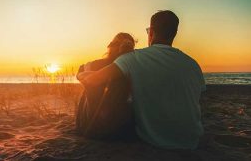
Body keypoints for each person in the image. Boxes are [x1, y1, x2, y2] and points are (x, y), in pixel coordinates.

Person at [78, 10, 206, 149]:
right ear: (174, 34)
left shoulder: (133, 58)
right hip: (192, 140)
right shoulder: (193, 64)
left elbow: (92, 81)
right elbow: (197, 99)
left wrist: (80, 75)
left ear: (151, 32)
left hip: (154, 141)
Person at [76, 33, 136, 139]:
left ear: (111, 46)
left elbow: (80, 71)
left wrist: (86, 75)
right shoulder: (132, 67)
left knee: (87, 89)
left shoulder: (97, 64)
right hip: (121, 129)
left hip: (91, 125)